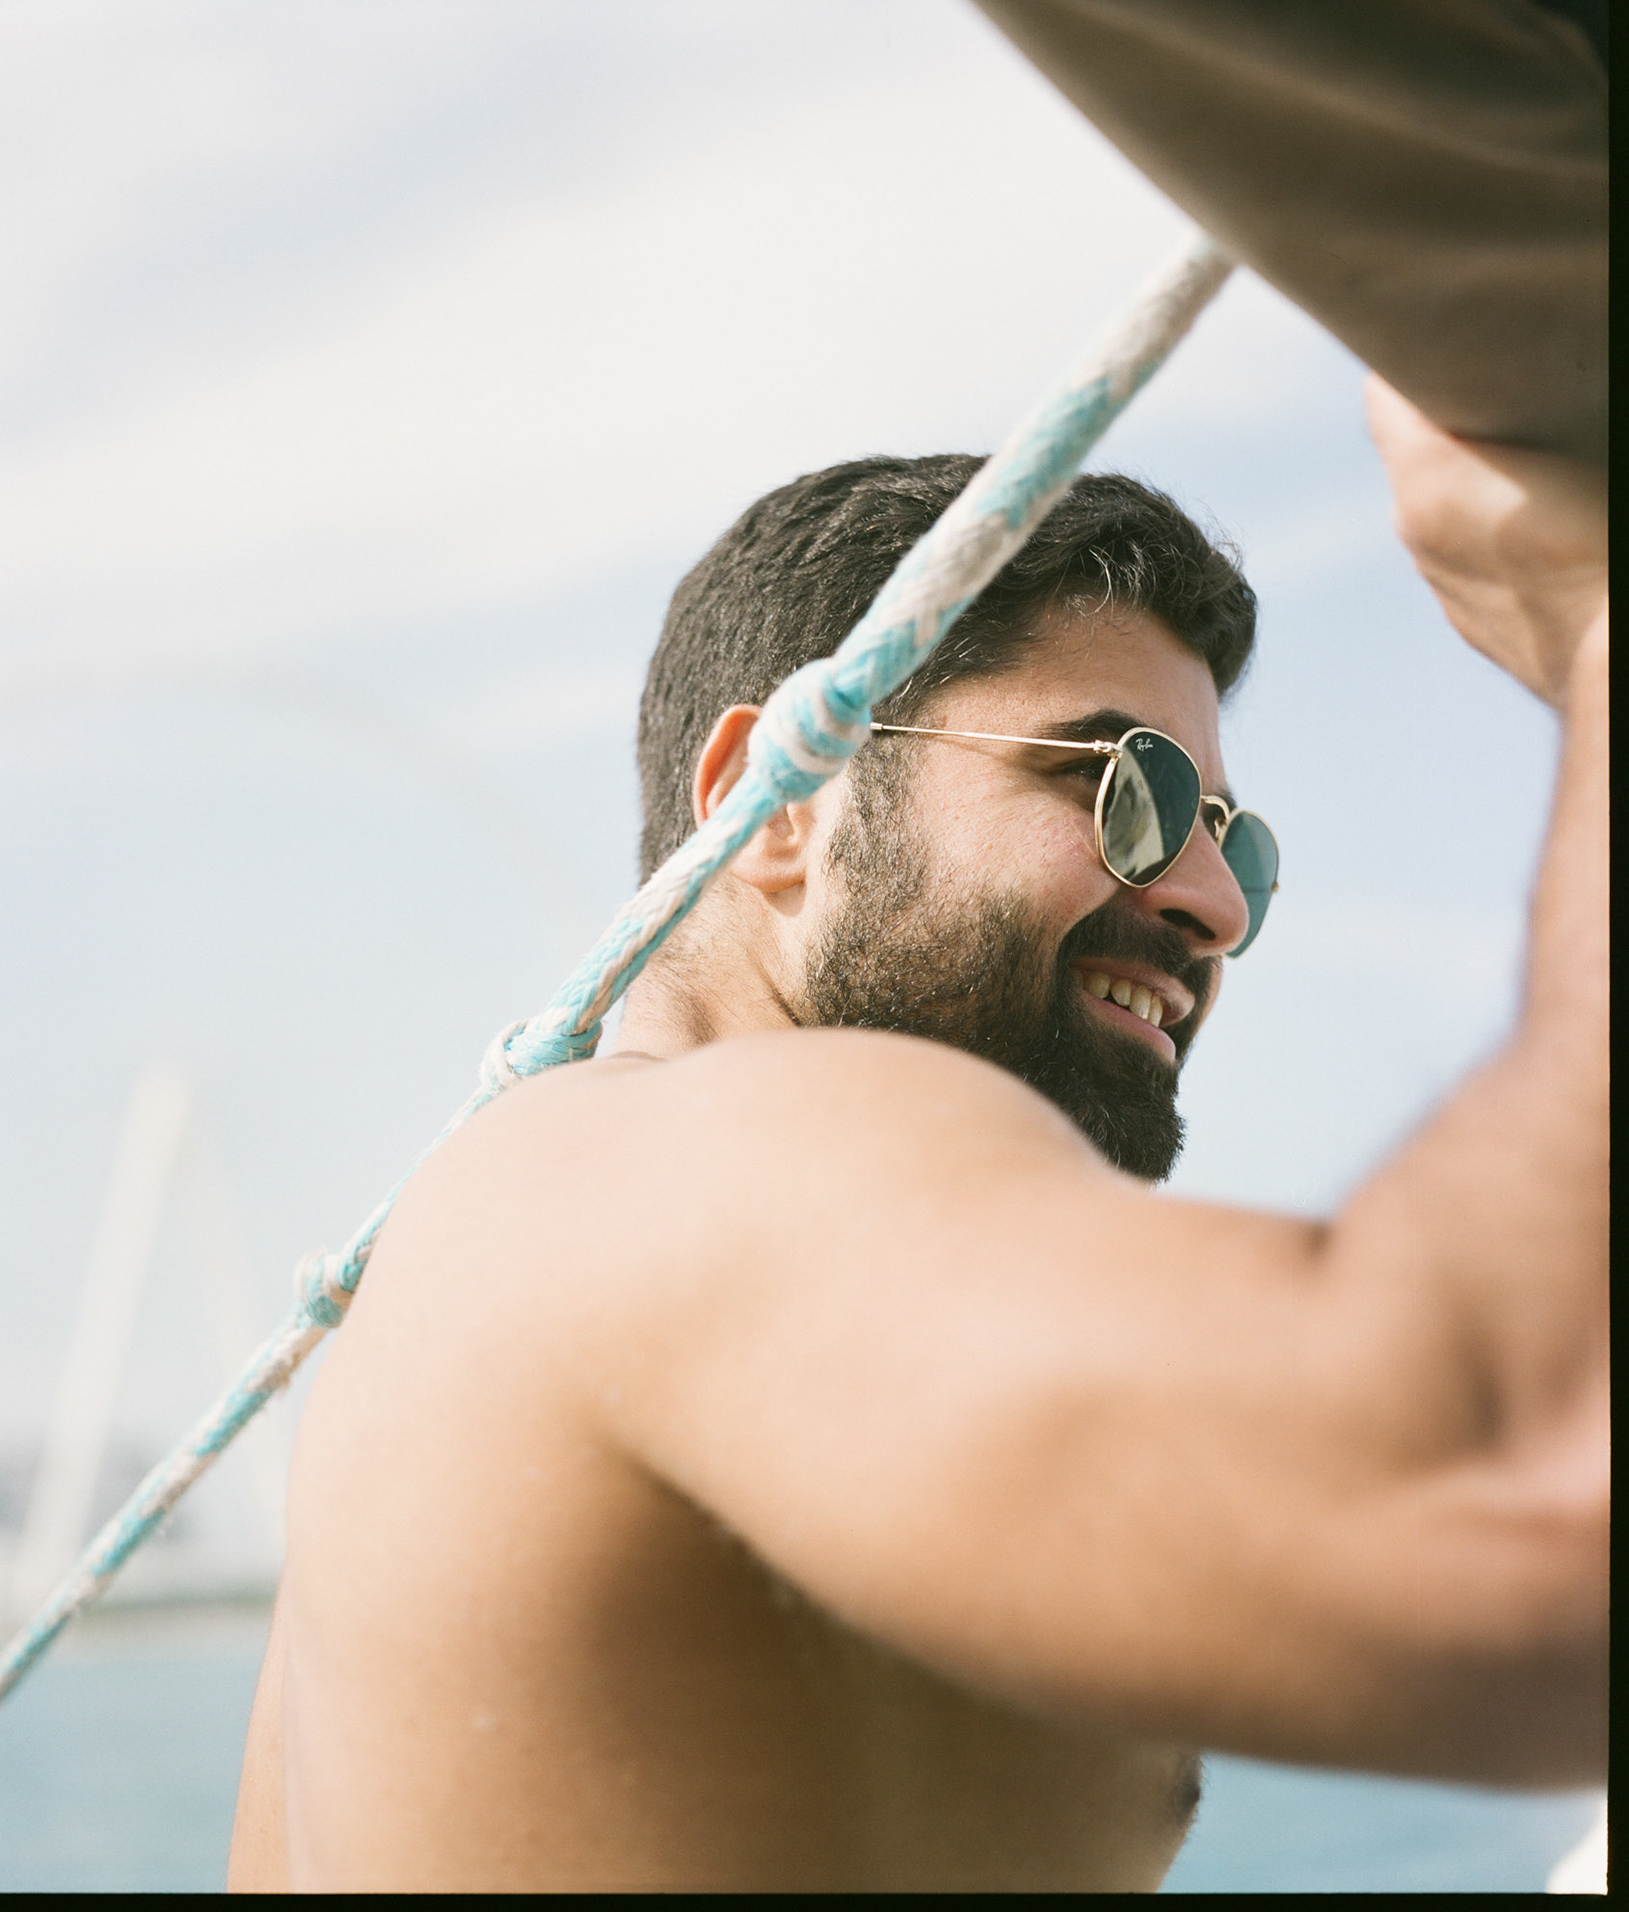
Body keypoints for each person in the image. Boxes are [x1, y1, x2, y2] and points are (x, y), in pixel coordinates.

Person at [228, 377, 1606, 1891]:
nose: (1215, 907)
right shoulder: (721, 1154)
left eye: (1236, 841)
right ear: (779, 805)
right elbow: (1534, 1500)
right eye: (1125, 789)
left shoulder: (467, 1292)